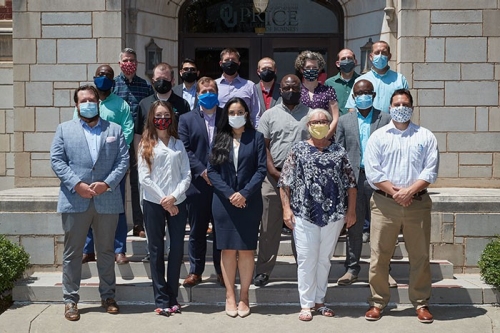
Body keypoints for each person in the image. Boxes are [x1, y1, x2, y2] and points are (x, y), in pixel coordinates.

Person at [50, 85, 129, 321]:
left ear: (98, 102)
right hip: (76, 200)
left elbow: (123, 161)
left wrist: (107, 183)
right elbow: (57, 160)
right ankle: (70, 300)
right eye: (83, 100)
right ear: (76, 105)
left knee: (106, 251)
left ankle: (108, 296)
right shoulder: (64, 129)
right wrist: (77, 184)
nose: (88, 103)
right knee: (73, 253)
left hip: (107, 199)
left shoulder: (114, 129)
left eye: (92, 99)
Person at [363, 89, 439, 323]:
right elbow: (373, 171)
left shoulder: (425, 136)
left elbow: (430, 170)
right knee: (379, 255)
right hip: (385, 204)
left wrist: (409, 191)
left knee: (419, 256)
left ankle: (421, 302)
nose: (400, 107)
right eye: (396, 104)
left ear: (412, 107)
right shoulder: (379, 136)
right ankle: (378, 302)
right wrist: (396, 193)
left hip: (417, 203)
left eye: (404, 103)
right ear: (389, 107)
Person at [279, 108, 357, 321]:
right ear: (308, 126)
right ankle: (306, 304)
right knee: (307, 259)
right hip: (304, 214)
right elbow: (284, 181)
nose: (319, 124)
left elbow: (351, 183)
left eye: (324, 121)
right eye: (315, 122)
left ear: (330, 125)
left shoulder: (338, 151)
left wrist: (351, 211)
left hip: (333, 215)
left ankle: (320, 301)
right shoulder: (298, 149)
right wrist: (286, 209)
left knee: (324, 259)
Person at [207, 97, 267, 318]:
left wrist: (244, 193)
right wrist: (230, 194)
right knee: (228, 249)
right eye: (231, 112)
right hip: (224, 203)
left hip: (249, 202)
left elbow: (261, 170)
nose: (235, 115)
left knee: (247, 249)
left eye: (239, 111)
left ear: (247, 114)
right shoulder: (219, 138)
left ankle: (244, 296)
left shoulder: (257, 138)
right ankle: (230, 295)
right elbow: (211, 171)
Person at [253, 74, 310, 287]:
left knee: (301, 227)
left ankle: (303, 270)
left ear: (301, 89)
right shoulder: (269, 115)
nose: (290, 90)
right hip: (272, 176)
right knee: (269, 226)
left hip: (303, 178)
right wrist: (273, 171)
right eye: (286, 87)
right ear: (280, 89)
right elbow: (264, 146)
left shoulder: (311, 114)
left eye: (295, 87)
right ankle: (264, 270)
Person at [74, 65, 134, 265]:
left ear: (113, 80)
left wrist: (114, 155)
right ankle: (88, 250)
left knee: (118, 209)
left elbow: (128, 130)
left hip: (113, 167)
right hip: (88, 167)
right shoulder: (85, 104)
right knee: (89, 206)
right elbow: (76, 132)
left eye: (108, 75)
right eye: (100, 75)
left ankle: (119, 250)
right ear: (94, 77)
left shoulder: (121, 104)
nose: (104, 78)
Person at [335, 79, 391, 286]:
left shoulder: (386, 119)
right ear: (354, 97)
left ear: (374, 95)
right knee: (354, 226)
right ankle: (352, 268)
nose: (363, 96)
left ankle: (384, 269)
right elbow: (339, 151)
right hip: (354, 180)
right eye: (359, 93)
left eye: (367, 92)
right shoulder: (344, 121)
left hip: (379, 178)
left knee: (382, 226)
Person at [138, 100, 191, 317]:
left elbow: (187, 174)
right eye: (158, 115)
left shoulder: (178, 144)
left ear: (171, 118)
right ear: (152, 118)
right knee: (157, 250)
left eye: (166, 115)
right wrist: (164, 201)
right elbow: (144, 178)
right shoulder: (145, 144)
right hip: (154, 203)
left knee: (176, 250)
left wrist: (174, 197)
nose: (162, 119)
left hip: (178, 203)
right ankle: (160, 298)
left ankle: (172, 295)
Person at [178, 77, 223, 287]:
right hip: (197, 183)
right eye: (203, 91)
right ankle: (195, 271)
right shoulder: (186, 119)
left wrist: (217, 173)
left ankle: (222, 270)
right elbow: (185, 149)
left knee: (221, 230)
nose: (207, 94)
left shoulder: (227, 117)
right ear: (197, 94)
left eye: (211, 90)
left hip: (222, 183)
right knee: (197, 230)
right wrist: (203, 171)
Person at [113, 47, 154, 238]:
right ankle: (116, 226)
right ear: (120, 64)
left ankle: (140, 225)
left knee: (138, 182)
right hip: (116, 143)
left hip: (138, 140)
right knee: (117, 183)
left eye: (132, 60)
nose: (129, 64)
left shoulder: (145, 86)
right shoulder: (112, 86)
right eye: (125, 61)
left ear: (137, 64)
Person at [135, 62, 191, 147]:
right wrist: (138, 157)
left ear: (172, 81)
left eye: (165, 79)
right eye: (158, 79)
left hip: (175, 154)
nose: (161, 82)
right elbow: (138, 134)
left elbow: (188, 133)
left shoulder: (183, 104)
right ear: (153, 81)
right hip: (149, 153)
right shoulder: (144, 104)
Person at [345, 41, 409, 113]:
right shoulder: (361, 80)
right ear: (371, 57)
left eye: (384, 53)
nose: (380, 56)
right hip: (367, 123)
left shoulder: (400, 79)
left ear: (389, 56)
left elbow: (407, 106)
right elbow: (352, 109)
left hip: (393, 123)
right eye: (377, 53)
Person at [294, 50, 339, 139]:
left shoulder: (328, 91)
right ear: (301, 70)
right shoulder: (296, 91)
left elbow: (335, 118)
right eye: (308, 67)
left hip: (325, 138)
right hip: (301, 138)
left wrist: (325, 138)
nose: (311, 70)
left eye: (314, 67)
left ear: (319, 69)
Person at [215, 48, 261, 127]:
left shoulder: (249, 85)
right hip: (221, 132)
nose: (230, 62)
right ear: (220, 63)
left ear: (238, 63)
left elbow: (256, 113)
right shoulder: (214, 85)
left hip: (244, 130)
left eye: (233, 60)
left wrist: (256, 134)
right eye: (227, 60)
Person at [324, 48, 360, 116]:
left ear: (355, 62)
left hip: (356, 123)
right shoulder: (329, 83)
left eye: (349, 58)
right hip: (337, 124)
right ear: (338, 64)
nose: (347, 60)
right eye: (343, 59)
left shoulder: (361, 81)